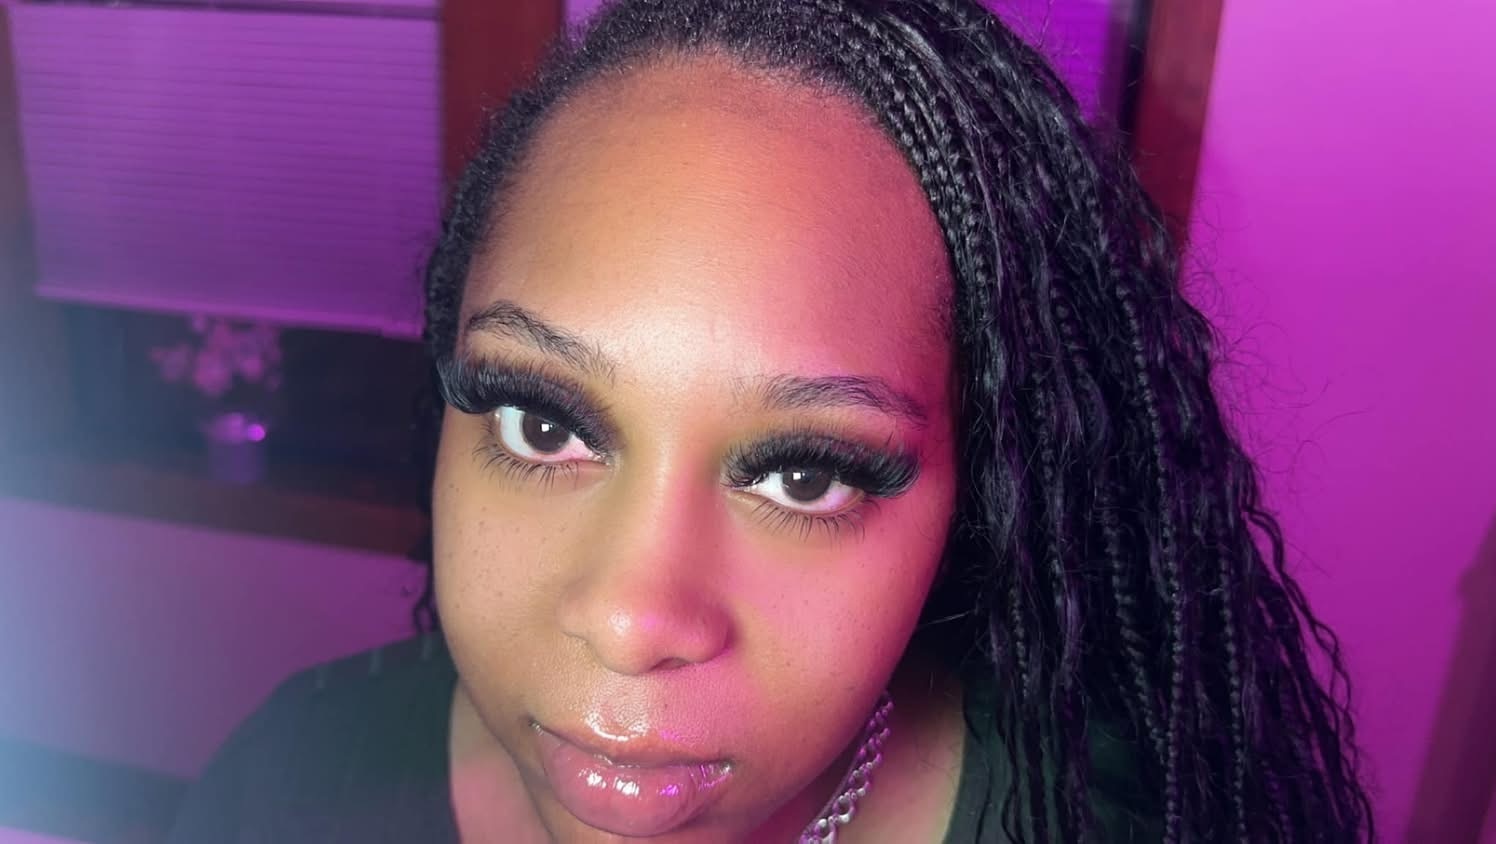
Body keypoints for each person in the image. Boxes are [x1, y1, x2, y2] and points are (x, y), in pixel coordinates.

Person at [166, 0, 1374, 840]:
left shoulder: (1118, 822)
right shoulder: (286, 784)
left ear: (970, 502)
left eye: (803, 476)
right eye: (541, 424)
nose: (634, 621)